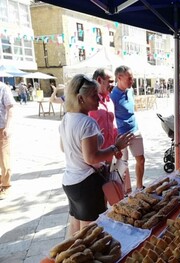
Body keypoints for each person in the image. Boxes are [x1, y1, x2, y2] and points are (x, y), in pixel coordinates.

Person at [59, 74, 134, 236]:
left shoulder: (66, 118)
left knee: (74, 227)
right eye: (93, 96)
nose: (99, 99)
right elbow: (91, 158)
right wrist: (116, 147)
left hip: (70, 181)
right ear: (80, 99)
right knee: (90, 233)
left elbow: (63, 148)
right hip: (87, 183)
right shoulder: (87, 122)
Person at [90, 68, 132, 194]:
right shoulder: (90, 102)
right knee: (98, 190)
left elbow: (113, 127)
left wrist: (117, 149)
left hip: (110, 153)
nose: (113, 84)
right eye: (110, 81)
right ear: (99, 80)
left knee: (111, 188)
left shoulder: (109, 100)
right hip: (95, 156)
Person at [111, 65, 145, 191]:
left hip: (135, 130)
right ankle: (125, 191)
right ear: (119, 77)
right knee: (123, 164)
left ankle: (140, 187)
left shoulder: (130, 91)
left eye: (132, 78)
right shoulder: (112, 96)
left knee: (141, 159)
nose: (132, 81)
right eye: (129, 78)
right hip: (121, 135)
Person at [0, 82, 15, 199]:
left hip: (1, 128)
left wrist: (8, 126)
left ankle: (6, 185)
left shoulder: (3, 88)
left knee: (4, 157)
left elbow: (10, 107)